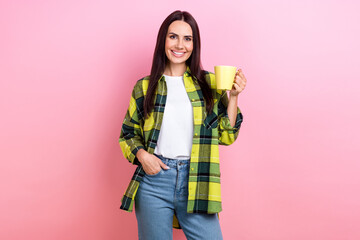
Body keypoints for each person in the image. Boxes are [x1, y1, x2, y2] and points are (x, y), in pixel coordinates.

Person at [118, 10, 247, 240]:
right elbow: (128, 134)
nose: (180, 45)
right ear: (163, 41)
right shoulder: (145, 87)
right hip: (154, 182)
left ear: (194, 45)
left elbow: (227, 136)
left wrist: (234, 96)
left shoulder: (209, 83)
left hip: (198, 178)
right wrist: (143, 156)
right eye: (173, 36)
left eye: (188, 38)